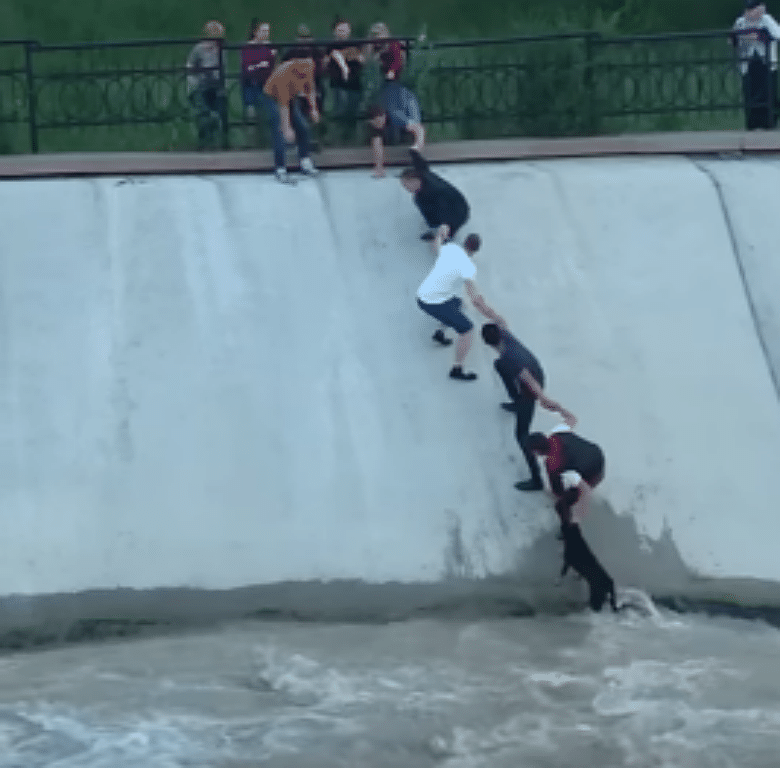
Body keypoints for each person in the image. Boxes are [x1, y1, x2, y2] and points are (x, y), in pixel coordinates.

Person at [480, 323, 576, 491]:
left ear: (488, 343)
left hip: (530, 391)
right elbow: (496, 317)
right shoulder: (506, 335)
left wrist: (543, 398)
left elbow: (527, 378)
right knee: (498, 364)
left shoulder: (509, 359)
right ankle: (517, 401)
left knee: (521, 434)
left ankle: (536, 479)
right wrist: (480, 303)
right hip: (536, 375)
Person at [416, 225, 506, 381]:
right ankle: (457, 368)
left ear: (464, 243)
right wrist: (495, 317)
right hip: (434, 303)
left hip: (423, 296)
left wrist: (440, 234)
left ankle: (440, 332)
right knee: (467, 331)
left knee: (458, 302)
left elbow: (435, 247)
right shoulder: (467, 268)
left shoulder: (451, 249)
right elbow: (477, 301)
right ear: (475, 251)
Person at [526, 425, 605, 523]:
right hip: (598, 454)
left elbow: (558, 491)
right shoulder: (557, 435)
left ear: (538, 451)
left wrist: (566, 495)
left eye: (534, 452)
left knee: (561, 505)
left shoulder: (553, 463)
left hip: (594, 474)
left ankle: (569, 530)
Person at [262, 56, 320, 183]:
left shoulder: (309, 65)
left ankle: (305, 161)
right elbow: (283, 105)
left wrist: (314, 109)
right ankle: (280, 168)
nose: (304, 75)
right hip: (273, 97)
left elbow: (310, 89)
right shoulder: (284, 74)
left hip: (292, 96)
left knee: (303, 127)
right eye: (301, 74)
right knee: (280, 131)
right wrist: (287, 128)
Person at [731, 0, 780, 129]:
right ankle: (752, 125)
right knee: (750, 95)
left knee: (768, 94)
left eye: (753, 9)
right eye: (748, 10)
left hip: (767, 64)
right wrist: (742, 37)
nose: (750, 13)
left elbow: (777, 35)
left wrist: (759, 36)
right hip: (748, 64)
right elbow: (732, 39)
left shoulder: (767, 20)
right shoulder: (741, 22)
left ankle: (769, 124)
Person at [400, 149, 470, 240]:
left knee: (420, 200)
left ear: (415, 181)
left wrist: (443, 230)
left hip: (458, 213)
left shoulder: (434, 190)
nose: (405, 188)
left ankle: (446, 235)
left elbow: (445, 209)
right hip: (450, 204)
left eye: (406, 185)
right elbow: (420, 164)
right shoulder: (421, 173)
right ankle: (434, 223)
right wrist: (413, 152)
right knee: (419, 199)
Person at [185, 20, 228, 149]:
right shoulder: (199, 49)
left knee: (221, 110)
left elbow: (222, 67)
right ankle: (204, 142)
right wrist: (196, 78)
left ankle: (223, 141)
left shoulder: (221, 49)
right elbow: (190, 65)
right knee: (204, 113)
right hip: (201, 85)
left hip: (216, 86)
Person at [326, 16, 365, 143]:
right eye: (340, 30)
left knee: (353, 113)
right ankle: (337, 140)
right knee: (340, 111)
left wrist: (352, 56)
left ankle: (351, 140)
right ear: (334, 31)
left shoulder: (356, 43)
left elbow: (361, 59)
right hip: (338, 84)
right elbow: (328, 60)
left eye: (345, 29)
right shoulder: (330, 45)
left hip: (355, 84)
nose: (343, 32)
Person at [241, 19, 277, 148]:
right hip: (251, 85)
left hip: (266, 85)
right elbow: (247, 68)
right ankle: (252, 144)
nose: (266, 33)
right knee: (251, 114)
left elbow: (270, 66)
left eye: (267, 31)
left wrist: (264, 63)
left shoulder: (269, 47)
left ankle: (268, 142)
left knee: (270, 113)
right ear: (255, 32)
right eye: (263, 31)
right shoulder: (247, 47)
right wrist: (261, 65)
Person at [367, 101, 424, 177]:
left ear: (383, 116)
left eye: (378, 122)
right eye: (374, 124)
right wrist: (379, 168)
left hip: (407, 132)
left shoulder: (396, 117)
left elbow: (419, 128)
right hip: (393, 135)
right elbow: (377, 146)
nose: (377, 125)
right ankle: (379, 169)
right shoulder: (375, 126)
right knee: (376, 140)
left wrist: (416, 147)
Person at [282, 24, 326, 121]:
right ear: (297, 38)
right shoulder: (291, 52)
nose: (305, 40)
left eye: (307, 38)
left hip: (314, 86)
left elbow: (319, 71)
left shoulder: (316, 52)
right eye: (302, 38)